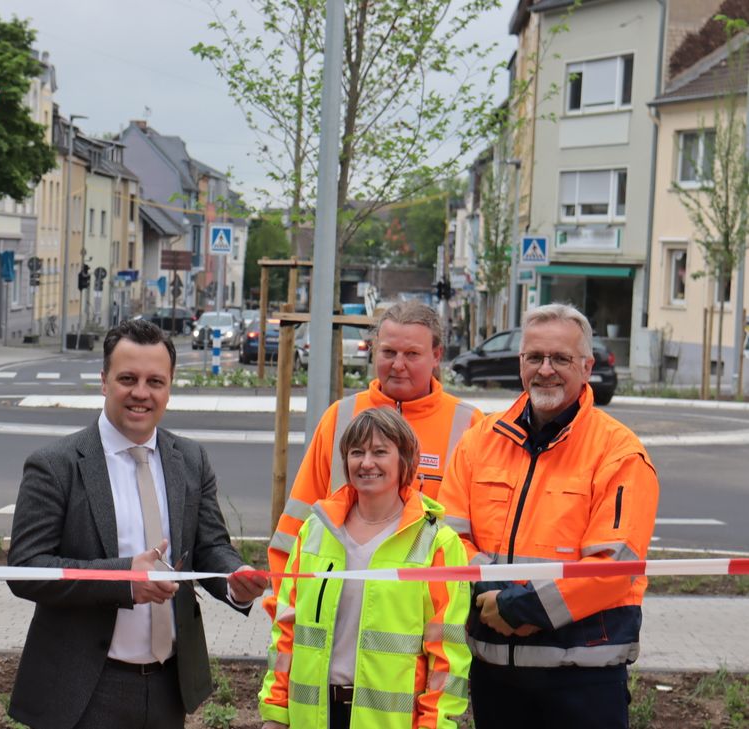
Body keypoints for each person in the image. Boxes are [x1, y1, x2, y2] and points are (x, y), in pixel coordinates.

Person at [6, 318, 269, 729]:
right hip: (81, 690)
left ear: (170, 386)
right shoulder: (55, 465)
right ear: (104, 382)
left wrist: (235, 578)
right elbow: (24, 570)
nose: (141, 393)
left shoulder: (191, 460)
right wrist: (123, 579)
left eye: (155, 381)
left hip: (167, 688)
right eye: (127, 378)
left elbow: (209, 547)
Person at [436, 303, 660, 729]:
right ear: (520, 361)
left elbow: (615, 565)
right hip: (495, 671)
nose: (545, 370)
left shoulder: (619, 452)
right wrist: (499, 600)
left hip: (583, 678)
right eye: (534, 357)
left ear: (587, 366)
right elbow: (449, 540)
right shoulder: (479, 441)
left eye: (560, 358)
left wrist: (521, 608)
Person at [267, 300, 482, 617]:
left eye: (411, 354)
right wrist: (283, 608)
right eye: (388, 352)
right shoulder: (340, 417)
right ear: (374, 350)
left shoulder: (469, 424)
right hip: (338, 608)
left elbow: (478, 533)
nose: (398, 364)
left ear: (437, 356)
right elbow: (298, 524)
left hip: (428, 611)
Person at [259, 408, 471, 729]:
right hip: (313, 717)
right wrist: (276, 713)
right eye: (357, 452)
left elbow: (447, 656)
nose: (366, 462)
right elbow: (286, 631)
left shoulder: (437, 544)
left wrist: (436, 725)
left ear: (405, 460)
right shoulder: (316, 531)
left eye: (380, 452)